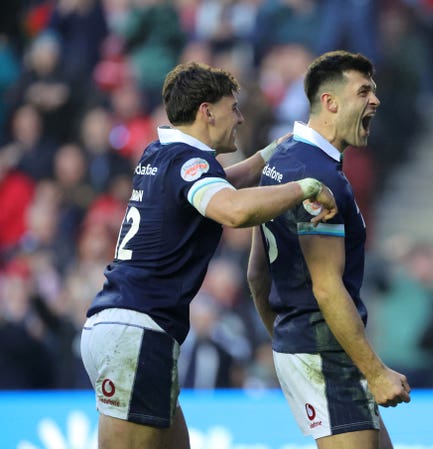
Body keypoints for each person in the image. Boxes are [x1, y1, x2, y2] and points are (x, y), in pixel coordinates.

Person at [80, 61, 337, 449]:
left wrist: (276, 151)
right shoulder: (189, 163)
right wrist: (305, 187)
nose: (239, 117)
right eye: (233, 107)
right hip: (138, 331)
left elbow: (223, 186)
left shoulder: (159, 154)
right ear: (207, 111)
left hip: (125, 327)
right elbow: (234, 210)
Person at [247, 50, 411, 449]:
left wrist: (284, 339)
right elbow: (326, 287)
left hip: (306, 343)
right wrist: (375, 372)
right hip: (322, 349)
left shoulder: (281, 161)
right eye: (364, 91)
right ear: (330, 102)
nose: (375, 100)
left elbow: (257, 273)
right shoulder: (318, 176)